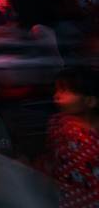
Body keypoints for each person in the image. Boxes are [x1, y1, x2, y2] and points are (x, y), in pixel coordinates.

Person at [48, 67, 99, 207]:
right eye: (57, 90)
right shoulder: (57, 124)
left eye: (65, 91)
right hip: (67, 200)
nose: (56, 96)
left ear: (90, 101)